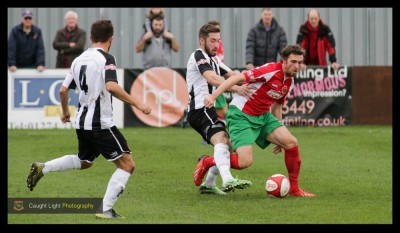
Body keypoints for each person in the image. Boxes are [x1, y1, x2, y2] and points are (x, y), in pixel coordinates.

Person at [26, 19, 152, 219]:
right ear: (111, 39)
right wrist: (139, 103)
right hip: (100, 123)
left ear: (91, 37)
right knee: (127, 164)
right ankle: (105, 209)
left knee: (85, 161)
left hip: (82, 121)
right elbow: (111, 87)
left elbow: (63, 90)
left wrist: (65, 112)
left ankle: (44, 167)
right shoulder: (107, 58)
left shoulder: (78, 59)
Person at [204, 44, 315, 197]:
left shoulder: (289, 80)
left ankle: (294, 189)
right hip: (241, 115)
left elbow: (277, 106)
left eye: (299, 62)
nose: (297, 66)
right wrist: (213, 96)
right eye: (293, 62)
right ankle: (208, 162)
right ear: (283, 61)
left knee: (290, 142)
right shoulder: (270, 70)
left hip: (263, 116)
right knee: (244, 162)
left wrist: (279, 134)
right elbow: (236, 78)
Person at [186, 23, 253, 195]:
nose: (217, 45)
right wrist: (237, 89)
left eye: (218, 41)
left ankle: (208, 184)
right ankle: (228, 179)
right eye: (213, 41)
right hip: (200, 110)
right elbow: (211, 78)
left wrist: (256, 82)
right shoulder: (198, 56)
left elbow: (234, 77)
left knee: (228, 146)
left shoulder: (215, 60)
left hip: (209, 109)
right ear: (202, 41)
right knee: (222, 139)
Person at [207, 20, 228, 122]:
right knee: (223, 111)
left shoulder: (220, 43)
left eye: (218, 30)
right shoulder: (209, 47)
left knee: (221, 111)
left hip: (218, 79)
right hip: (214, 81)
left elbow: (220, 63)